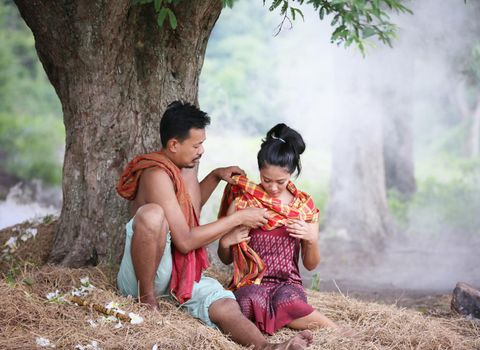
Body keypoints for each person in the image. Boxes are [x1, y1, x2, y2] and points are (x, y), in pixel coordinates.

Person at [115, 102, 313, 349]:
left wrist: (216, 176)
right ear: (174, 145)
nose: (202, 150)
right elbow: (186, 241)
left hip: (179, 275)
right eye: (196, 145)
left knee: (226, 304)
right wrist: (238, 219)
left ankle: (267, 347)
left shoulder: (183, 168)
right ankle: (147, 301)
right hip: (144, 277)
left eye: (203, 143)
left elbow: (190, 211)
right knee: (152, 214)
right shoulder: (156, 174)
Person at [217, 123, 340, 335]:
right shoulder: (244, 202)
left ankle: (335, 330)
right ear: (259, 172)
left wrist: (311, 238)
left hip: (287, 283)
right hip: (251, 281)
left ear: (292, 173)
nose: (273, 188)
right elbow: (226, 258)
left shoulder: (304, 207)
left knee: (288, 301)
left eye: (280, 182)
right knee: (249, 300)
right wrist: (226, 242)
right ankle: (284, 321)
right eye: (266, 180)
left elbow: (310, 265)